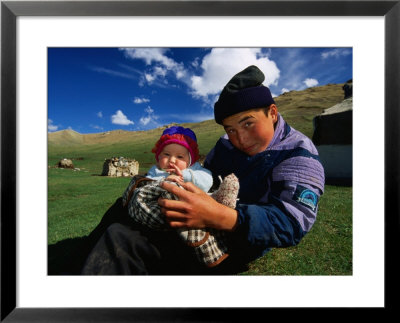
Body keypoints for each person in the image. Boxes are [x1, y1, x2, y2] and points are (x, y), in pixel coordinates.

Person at [81, 65, 324, 275]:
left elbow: (291, 223)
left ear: (272, 113)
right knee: (124, 204)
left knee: (123, 239)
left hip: (234, 240)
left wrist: (217, 215)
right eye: (230, 129)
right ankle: (81, 261)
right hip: (198, 217)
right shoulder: (225, 144)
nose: (240, 138)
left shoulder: (298, 154)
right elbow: (205, 179)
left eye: (248, 123)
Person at [121, 126, 238, 267]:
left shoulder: (195, 169)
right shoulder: (156, 171)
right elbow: (148, 186)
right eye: (166, 154)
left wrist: (185, 175)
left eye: (180, 156)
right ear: (158, 156)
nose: (172, 160)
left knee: (207, 198)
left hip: (193, 204)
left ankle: (222, 200)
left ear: (191, 159)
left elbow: (207, 181)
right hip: (164, 206)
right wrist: (162, 183)